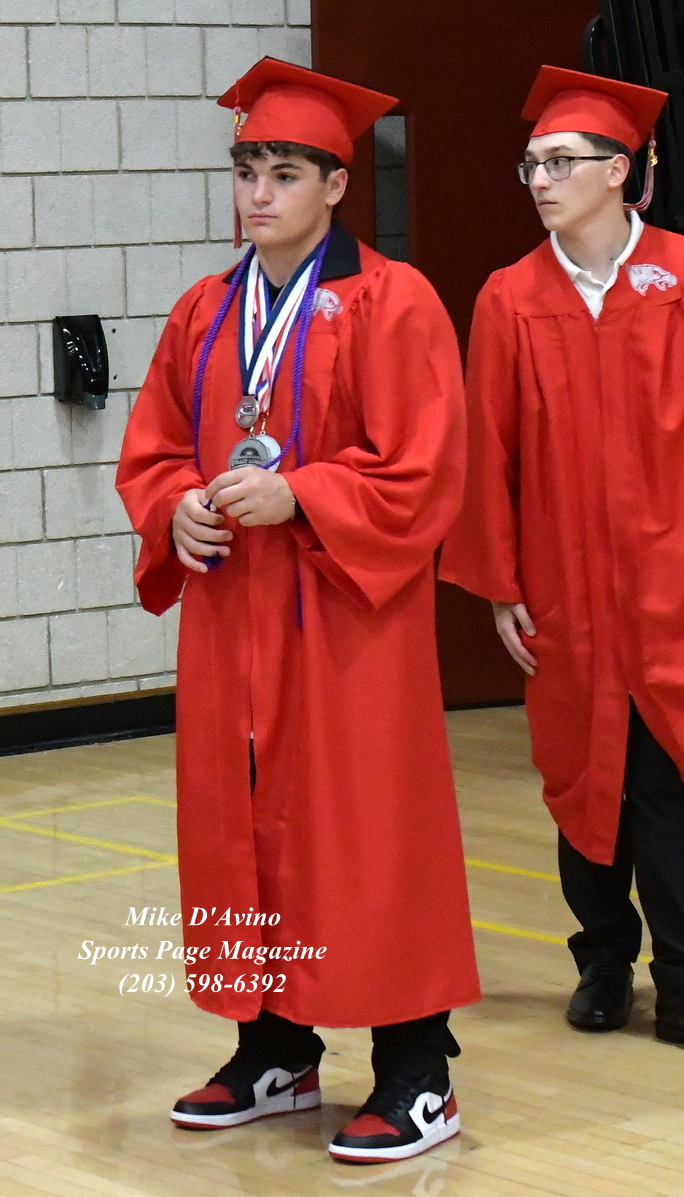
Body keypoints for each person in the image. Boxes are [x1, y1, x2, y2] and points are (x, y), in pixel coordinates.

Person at [116, 57, 480, 1164]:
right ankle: (272, 1046)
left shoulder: (392, 299)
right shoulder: (205, 308)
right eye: (246, 172)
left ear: (335, 185)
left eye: (284, 173)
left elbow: (426, 465)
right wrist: (175, 508)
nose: (259, 193)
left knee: (365, 832)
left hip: (344, 617)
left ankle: (417, 1070)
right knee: (240, 827)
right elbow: (155, 448)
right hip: (233, 616)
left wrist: (305, 494)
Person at [440, 66, 684, 1065]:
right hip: (563, 588)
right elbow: (487, 451)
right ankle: (602, 962)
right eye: (531, 164)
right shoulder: (511, 297)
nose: (539, 180)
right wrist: (500, 584)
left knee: (660, 782)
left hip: (675, 578)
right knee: (580, 779)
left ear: (620, 169)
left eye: (560, 162)